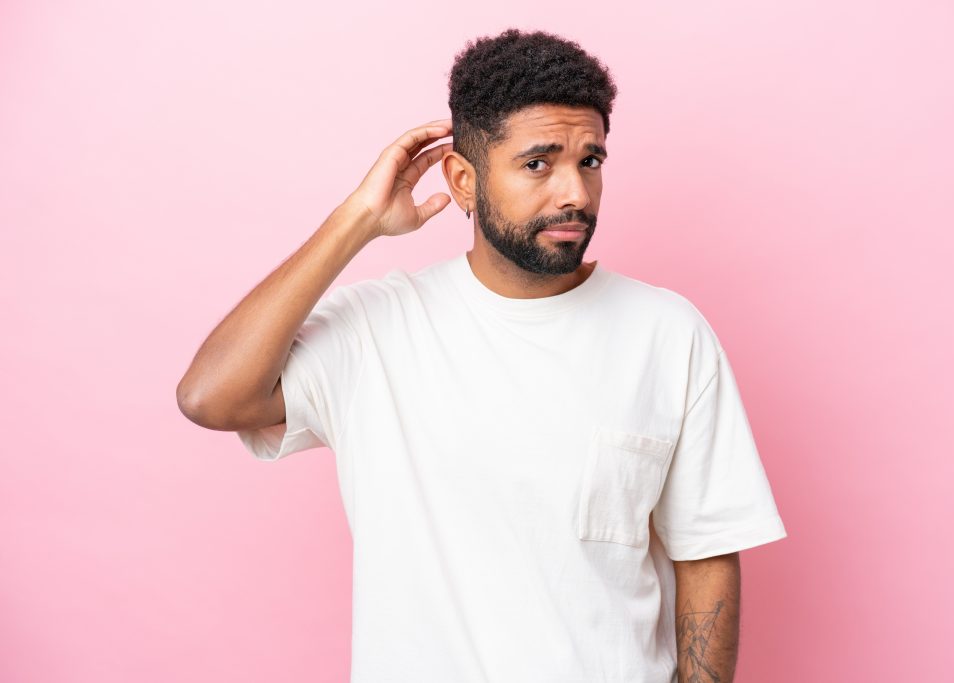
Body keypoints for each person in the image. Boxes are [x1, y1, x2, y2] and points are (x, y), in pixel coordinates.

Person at [177, 27, 787, 683]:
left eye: (590, 161)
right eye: (538, 163)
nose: (575, 194)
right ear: (464, 181)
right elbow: (212, 395)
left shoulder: (668, 333)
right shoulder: (377, 330)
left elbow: (707, 553)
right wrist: (358, 217)